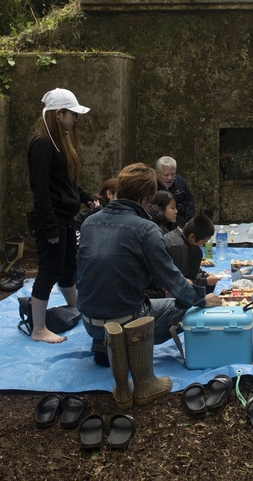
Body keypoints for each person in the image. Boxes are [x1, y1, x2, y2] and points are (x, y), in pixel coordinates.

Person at [77, 163, 222, 365]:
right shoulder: (146, 229)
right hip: (125, 320)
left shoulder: (89, 222)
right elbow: (171, 278)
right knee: (185, 308)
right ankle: (128, 346)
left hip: (89, 320)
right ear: (146, 198)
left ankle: (104, 344)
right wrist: (200, 300)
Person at [26, 88, 99, 344]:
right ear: (59, 114)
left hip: (65, 218)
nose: (75, 120)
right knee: (49, 271)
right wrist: (49, 227)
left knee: (69, 268)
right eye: (72, 114)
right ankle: (38, 329)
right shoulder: (43, 143)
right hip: (52, 220)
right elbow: (41, 189)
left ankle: (78, 308)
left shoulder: (62, 142)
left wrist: (86, 196)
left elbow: (66, 183)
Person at [163, 215, 221, 293]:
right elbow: (181, 283)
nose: (202, 246)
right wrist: (205, 282)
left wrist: (203, 275)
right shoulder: (178, 248)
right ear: (192, 236)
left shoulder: (179, 234)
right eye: (203, 242)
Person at [155, 156, 195, 229]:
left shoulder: (180, 182)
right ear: (157, 173)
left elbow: (190, 202)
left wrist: (189, 220)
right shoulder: (152, 186)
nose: (170, 178)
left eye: (173, 174)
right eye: (166, 175)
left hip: (180, 221)